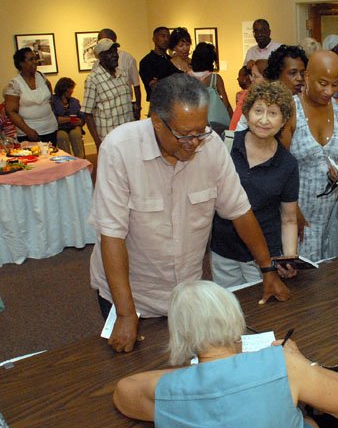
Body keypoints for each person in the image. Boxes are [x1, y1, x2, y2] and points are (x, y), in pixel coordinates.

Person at [88, 74, 290, 354]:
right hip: (130, 294)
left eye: (201, 131)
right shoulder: (119, 149)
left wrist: (267, 268)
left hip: (185, 295)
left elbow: (240, 211)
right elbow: (111, 235)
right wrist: (125, 313)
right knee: (133, 376)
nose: (194, 142)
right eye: (184, 134)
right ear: (157, 122)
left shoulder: (212, 147)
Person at [113, 281, 338, 426]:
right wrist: (300, 360)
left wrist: (195, 371)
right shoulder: (284, 364)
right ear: (235, 319)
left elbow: (125, 392)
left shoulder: (169, 389)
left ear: (180, 335)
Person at [210, 81, 299, 287]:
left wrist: (289, 257)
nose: (264, 120)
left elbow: (289, 219)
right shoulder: (225, 144)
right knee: (226, 311)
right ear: (247, 113)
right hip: (224, 251)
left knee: (263, 313)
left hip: (265, 256)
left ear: (284, 119)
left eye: (273, 113)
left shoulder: (287, 164)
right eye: (258, 111)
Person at [281, 51, 338, 260]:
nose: (329, 91)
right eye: (322, 83)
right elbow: (278, 166)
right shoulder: (290, 109)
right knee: (300, 275)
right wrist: (290, 210)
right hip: (296, 210)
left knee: (331, 273)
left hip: (332, 213)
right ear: (307, 77)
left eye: (334, 84)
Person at [81, 38, 133, 148]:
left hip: (127, 136)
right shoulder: (93, 79)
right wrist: (97, 142)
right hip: (109, 139)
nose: (115, 55)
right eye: (110, 52)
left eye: (115, 51)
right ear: (101, 57)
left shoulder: (123, 74)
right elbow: (87, 113)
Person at [3, 47, 58, 145]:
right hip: (29, 133)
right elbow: (11, 112)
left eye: (35, 59)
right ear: (21, 63)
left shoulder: (42, 76)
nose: (35, 62)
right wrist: (28, 130)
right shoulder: (15, 84)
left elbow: (50, 97)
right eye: (31, 59)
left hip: (50, 128)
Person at [95, 29, 142, 120]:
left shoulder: (127, 58)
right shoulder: (96, 64)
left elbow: (136, 85)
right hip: (106, 111)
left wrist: (138, 108)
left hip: (126, 108)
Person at [188, 42, 233, 119]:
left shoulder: (186, 77)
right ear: (211, 60)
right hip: (213, 120)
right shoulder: (215, 78)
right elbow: (226, 105)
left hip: (193, 119)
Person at [139, 27, 181, 101]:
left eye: (168, 36)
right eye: (163, 36)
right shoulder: (146, 61)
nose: (166, 39)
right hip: (158, 103)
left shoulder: (171, 59)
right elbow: (154, 86)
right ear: (154, 39)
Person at [50, 77, 86, 158]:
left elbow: (82, 116)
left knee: (76, 134)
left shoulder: (74, 101)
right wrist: (69, 119)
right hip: (59, 128)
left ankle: (80, 161)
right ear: (64, 89)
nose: (72, 91)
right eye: (70, 89)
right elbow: (54, 119)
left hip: (73, 126)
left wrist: (80, 121)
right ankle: (67, 161)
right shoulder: (53, 101)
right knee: (62, 136)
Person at [230, 59, 268, 131]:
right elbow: (241, 124)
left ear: (267, 78)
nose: (251, 79)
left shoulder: (274, 99)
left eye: (256, 76)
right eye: (251, 75)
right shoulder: (249, 96)